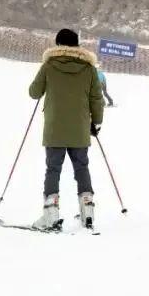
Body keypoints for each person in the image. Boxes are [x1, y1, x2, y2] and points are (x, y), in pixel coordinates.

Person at [28, 28, 105, 231]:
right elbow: (97, 98)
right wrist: (96, 122)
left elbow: (34, 92)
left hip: (55, 128)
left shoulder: (50, 65)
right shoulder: (89, 68)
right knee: (82, 167)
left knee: (53, 169)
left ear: (58, 44)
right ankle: (87, 210)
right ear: (77, 46)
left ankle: (50, 215)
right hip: (80, 128)